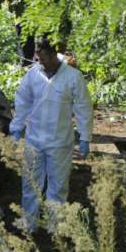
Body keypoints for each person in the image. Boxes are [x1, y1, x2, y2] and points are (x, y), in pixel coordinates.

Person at [9, 37, 93, 232]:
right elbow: (22, 102)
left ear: (56, 55)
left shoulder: (73, 77)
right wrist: (16, 128)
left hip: (60, 141)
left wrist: (85, 137)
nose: (42, 62)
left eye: (45, 58)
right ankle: (29, 225)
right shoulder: (32, 75)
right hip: (34, 139)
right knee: (30, 184)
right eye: (39, 58)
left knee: (58, 186)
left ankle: (55, 229)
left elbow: (83, 108)